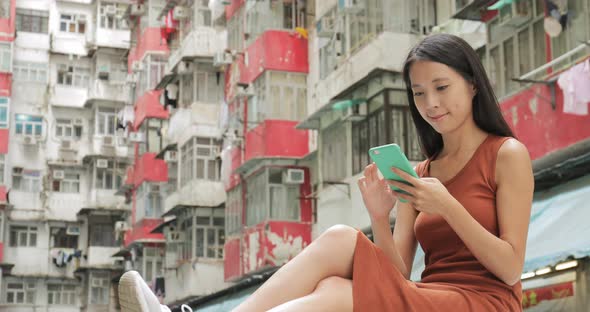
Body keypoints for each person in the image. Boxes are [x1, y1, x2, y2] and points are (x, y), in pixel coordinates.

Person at [119, 33, 534, 312]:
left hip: (484, 302)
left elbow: (511, 268)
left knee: (340, 239)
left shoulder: (506, 154)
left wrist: (445, 202)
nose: (431, 104)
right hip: (428, 297)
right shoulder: (422, 171)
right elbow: (397, 276)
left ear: (473, 85)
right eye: (419, 93)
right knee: (334, 291)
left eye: (442, 88)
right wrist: (378, 217)